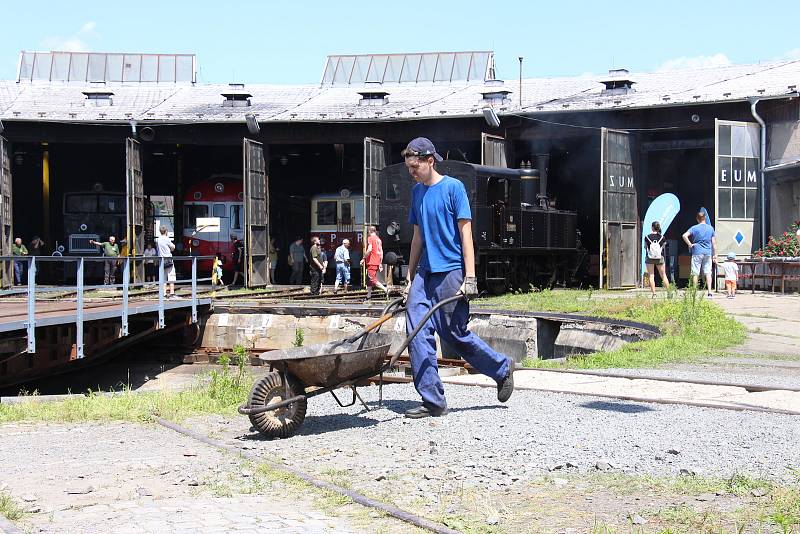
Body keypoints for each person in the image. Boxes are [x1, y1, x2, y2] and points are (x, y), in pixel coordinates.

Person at [401, 137, 514, 419]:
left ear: (430, 160)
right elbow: (417, 236)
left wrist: (471, 276)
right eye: (409, 167)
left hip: (451, 271)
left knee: (454, 334)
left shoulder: (454, 188)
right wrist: (410, 273)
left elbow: (466, 234)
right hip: (425, 273)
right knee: (415, 331)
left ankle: (502, 369)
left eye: (415, 166)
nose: (412, 172)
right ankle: (433, 400)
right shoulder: (417, 193)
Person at [682, 211, 717, 297]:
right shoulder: (710, 228)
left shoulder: (694, 228)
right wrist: (715, 254)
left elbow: (684, 235)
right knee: (708, 272)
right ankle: (709, 292)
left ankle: (695, 292)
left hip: (697, 252)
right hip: (708, 252)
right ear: (705, 218)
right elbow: (714, 243)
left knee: (695, 272)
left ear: (697, 219)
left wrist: (690, 244)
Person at [361, 225, 388, 300]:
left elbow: (369, 250)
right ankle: (368, 296)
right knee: (368, 280)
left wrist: (363, 258)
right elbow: (381, 252)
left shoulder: (370, 238)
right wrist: (380, 263)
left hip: (371, 262)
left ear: (369, 231)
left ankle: (386, 290)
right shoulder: (378, 239)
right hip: (376, 261)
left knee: (372, 279)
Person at [644, 221, 669, 297]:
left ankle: (654, 294)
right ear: (658, 228)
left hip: (650, 258)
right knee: (663, 275)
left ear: (652, 227)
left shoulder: (647, 237)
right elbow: (663, 247)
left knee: (651, 275)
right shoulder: (662, 237)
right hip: (659, 258)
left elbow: (645, 247)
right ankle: (669, 292)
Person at [156, 225, 177, 298]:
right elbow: (173, 247)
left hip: (161, 260)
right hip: (168, 259)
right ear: (166, 231)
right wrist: (172, 248)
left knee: (163, 277)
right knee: (171, 275)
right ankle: (172, 293)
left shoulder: (158, 239)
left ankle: (163, 293)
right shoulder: (167, 238)